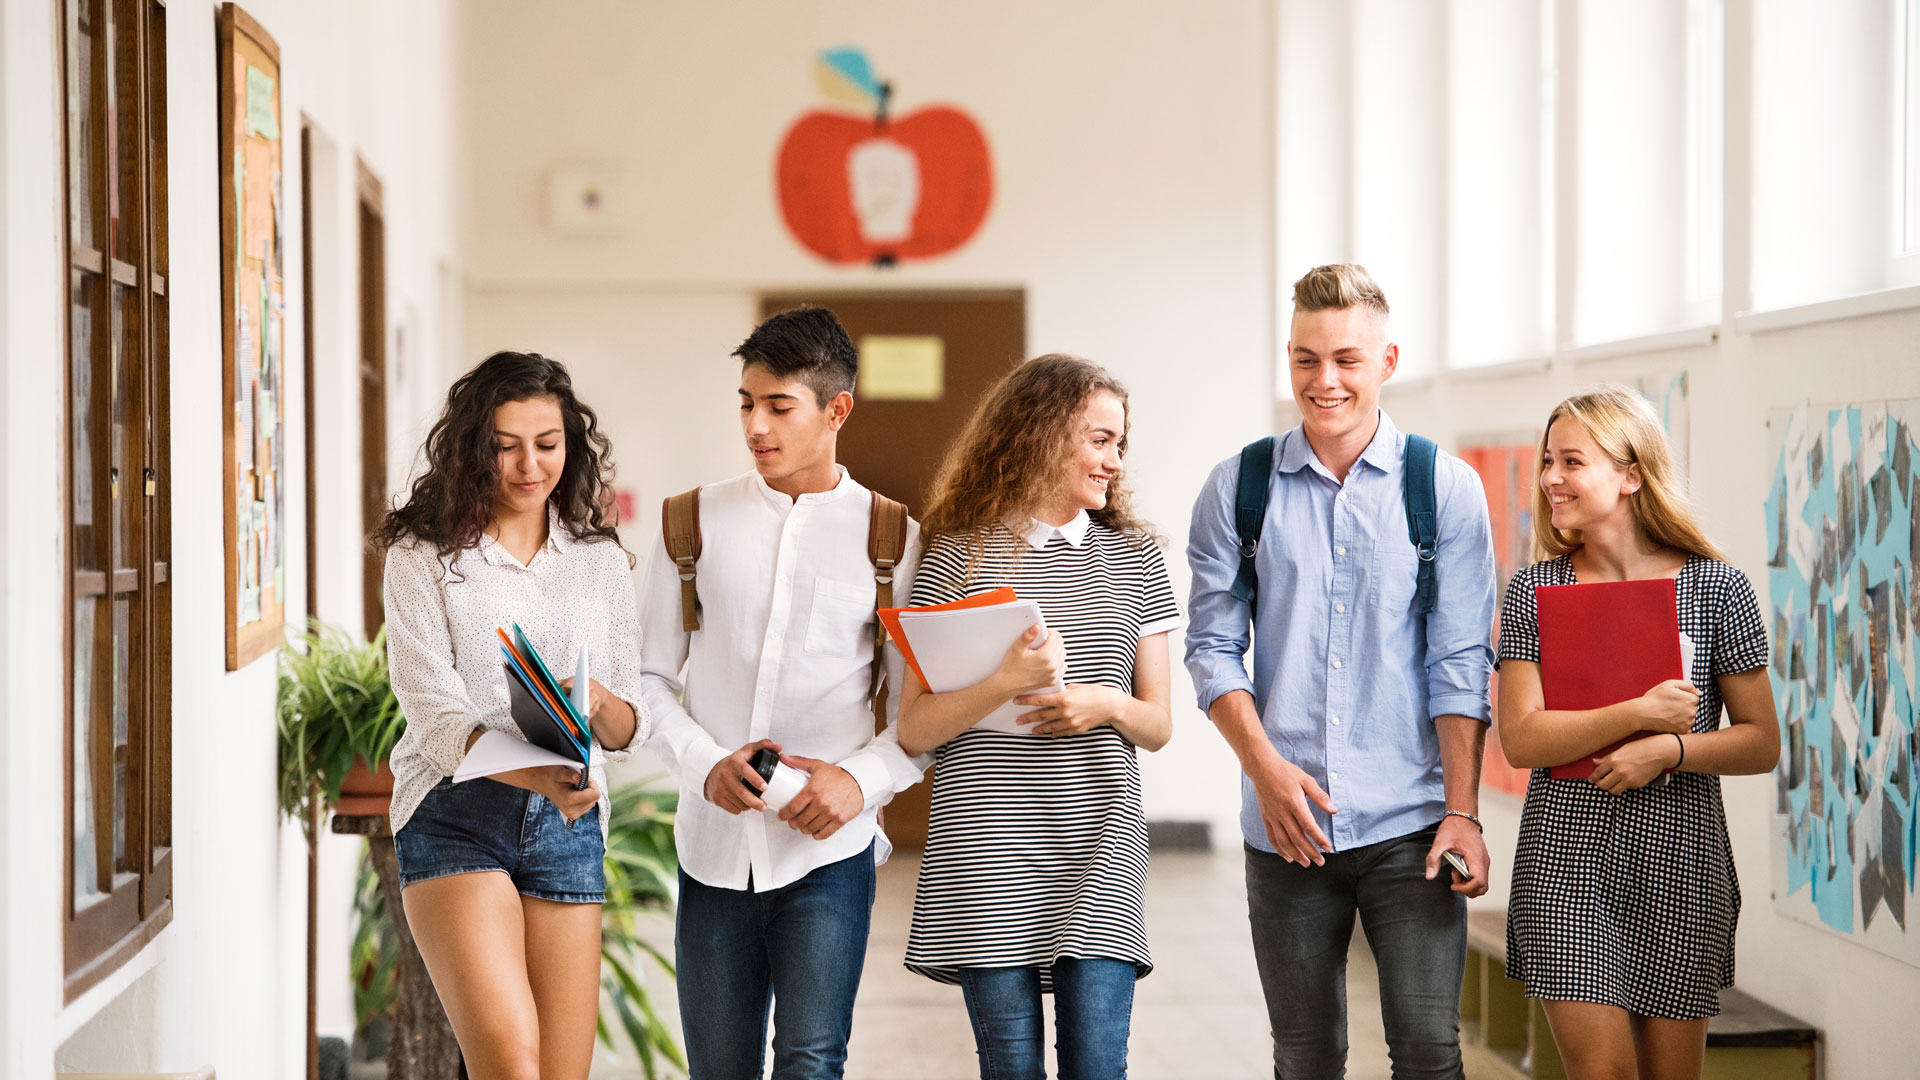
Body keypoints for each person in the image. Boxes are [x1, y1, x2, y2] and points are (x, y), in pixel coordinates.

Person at [1185, 263, 1497, 1078]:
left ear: (1388, 362)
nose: (1325, 382)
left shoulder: (1444, 489)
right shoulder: (1238, 488)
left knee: (1429, 1049)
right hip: (1287, 828)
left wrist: (1463, 811)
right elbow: (1213, 647)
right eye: (1307, 360)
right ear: (1288, 356)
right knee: (1307, 1053)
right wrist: (1265, 771)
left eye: (1347, 360)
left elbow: (1460, 661)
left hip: (1412, 824)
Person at [638, 306, 927, 1080]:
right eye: (745, 403)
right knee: (719, 1069)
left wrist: (857, 783)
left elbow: (917, 718)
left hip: (830, 852)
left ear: (837, 411)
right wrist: (704, 763)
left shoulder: (894, 540)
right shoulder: (687, 522)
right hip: (713, 852)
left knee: (811, 1062)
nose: (755, 426)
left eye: (778, 406)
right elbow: (649, 679)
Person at [897, 353, 1180, 1080]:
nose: (1112, 460)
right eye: (1097, 439)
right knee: (1010, 1069)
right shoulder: (957, 557)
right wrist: (1005, 682)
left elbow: (1158, 725)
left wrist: (1105, 703)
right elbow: (916, 729)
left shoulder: (1137, 560)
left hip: (1100, 844)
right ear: (1039, 432)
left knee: (1098, 1066)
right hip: (987, 847)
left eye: (1119, 443)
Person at [1494, 386, 1778, 1080]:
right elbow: (1523, 740)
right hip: (1566, 858)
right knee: (1603, 1073)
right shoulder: (1534, 590)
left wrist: (1671, 750)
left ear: (1631, 474)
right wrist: (1636, 716)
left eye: (1572, 462)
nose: (1550, 479)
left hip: (1683, 859)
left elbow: (1761, 741)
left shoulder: (1718, 589)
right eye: (1547, 461)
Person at [376, 352, 648, 1080]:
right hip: (455, 813)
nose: (530, 465)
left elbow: (628, 725)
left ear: (571, 445)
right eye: (505, 445)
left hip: (568, 824)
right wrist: (539, 775)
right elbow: (436, 720)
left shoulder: (599, 561)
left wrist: (593, 701)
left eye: (547, 443)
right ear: (473, 448)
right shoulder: (423, 556)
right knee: (509, 1062)